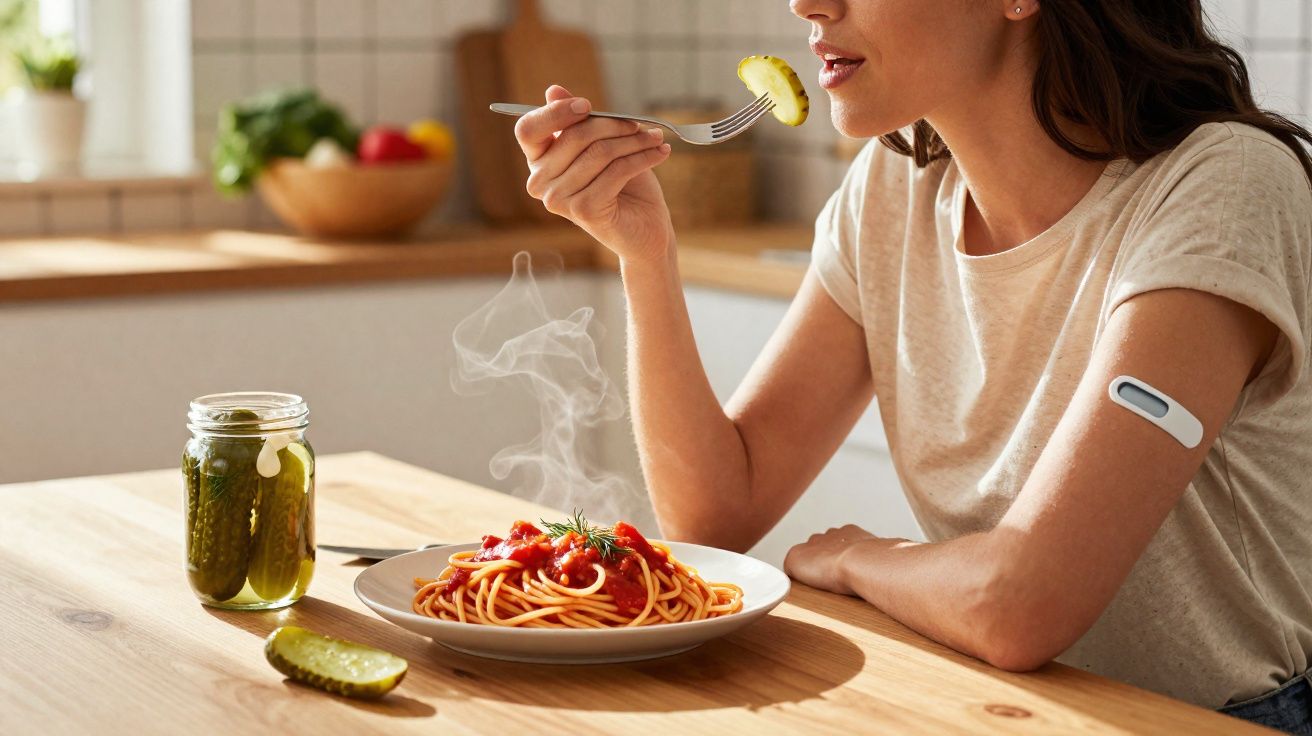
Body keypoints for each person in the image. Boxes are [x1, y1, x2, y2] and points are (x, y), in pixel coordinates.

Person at [510, 0, 1312, 730]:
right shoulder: (899, 185)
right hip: (1015, 707)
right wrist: (644, 253)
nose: (807, 5)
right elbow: (716, 514)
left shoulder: (1222, 189)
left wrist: (862, 558)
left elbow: (1019, 603)